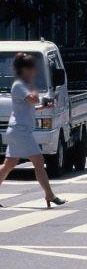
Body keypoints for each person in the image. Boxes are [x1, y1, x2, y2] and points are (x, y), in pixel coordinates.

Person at [0, 53, 66, 208]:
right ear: (24, 69)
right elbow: (33, 99)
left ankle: (49, 195)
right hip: (20, 131)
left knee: (9, 164)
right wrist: (34, 89)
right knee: (39, 161)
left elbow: (28, 107)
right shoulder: (19, 86)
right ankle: (49, 195)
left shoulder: (22, 85)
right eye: (31, 68)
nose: (34, 71)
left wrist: (42, 107)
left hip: (18, 131)